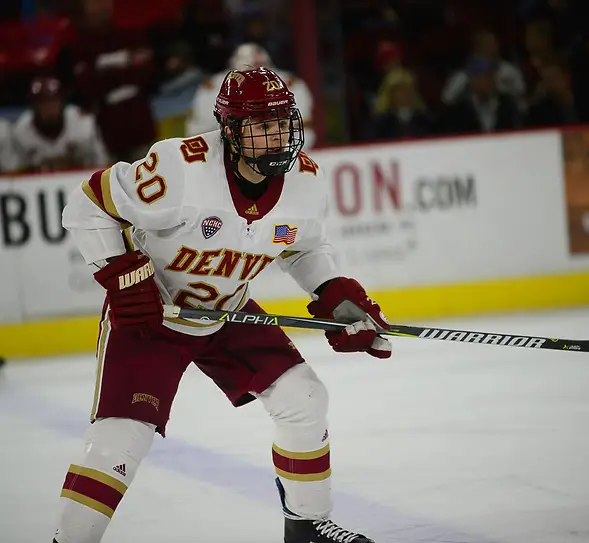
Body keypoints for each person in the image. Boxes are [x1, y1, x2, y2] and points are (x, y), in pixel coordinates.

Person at [54, 67, 391, 543]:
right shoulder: (179, 168)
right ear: (230, 131)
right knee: (121, 440)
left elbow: (303, 247)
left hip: (229, 310)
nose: (275, 137)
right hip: (154, 313)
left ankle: (306, 525)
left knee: (304, 397)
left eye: (281, 123)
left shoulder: (306, 181)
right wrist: (127, 281)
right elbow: (87, 205)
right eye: (260, 126)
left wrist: (334, 293)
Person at [186, 43, 316, 148]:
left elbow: (305, 125)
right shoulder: (214, 85)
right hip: (222, 150)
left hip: (286, 147)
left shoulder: (288, 82)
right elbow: (200, 129)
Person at [12, 76, 110, 172]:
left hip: (83, 182)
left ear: (62, 103)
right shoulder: (21, 130)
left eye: (54, 102)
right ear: (34, 106)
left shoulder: (82, 123)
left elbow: (101, 164)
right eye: (43, 104)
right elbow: (15, 173)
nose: (50, 109)